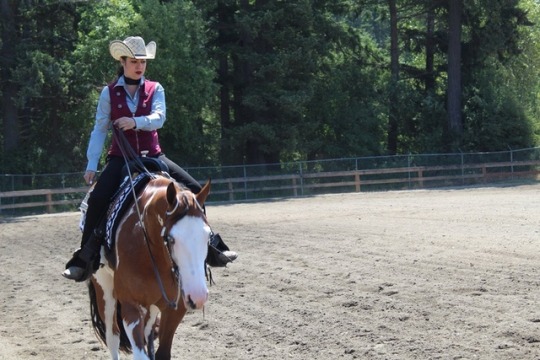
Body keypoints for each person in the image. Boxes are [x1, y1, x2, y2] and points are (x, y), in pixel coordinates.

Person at [63, 36, 237, 281]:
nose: (139, 66)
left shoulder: (156, 88)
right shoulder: (108, 93)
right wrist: (92, 164)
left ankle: (210, 245)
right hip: (121, 159)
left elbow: (159, 118)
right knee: (98, 199)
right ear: (123, 62)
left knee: (197, 191)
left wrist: (134, 122)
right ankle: (85, 256)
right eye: (134, 61)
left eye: (142, 61)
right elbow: (99, 130)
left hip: (154, 156)